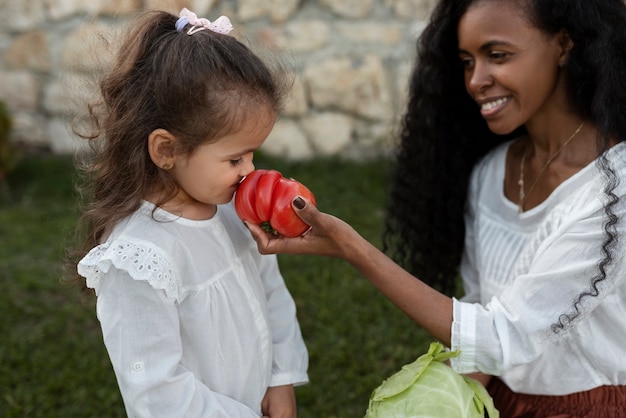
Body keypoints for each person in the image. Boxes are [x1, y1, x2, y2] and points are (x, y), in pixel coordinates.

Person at [245, 0, 626, 416]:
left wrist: (353, 248)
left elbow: (502, 337)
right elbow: (484, 308)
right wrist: (447, 400)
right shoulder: (491, 173)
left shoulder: (613, 195)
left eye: (497, 55)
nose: (476, 80)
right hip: (499, 399)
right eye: (466, 62)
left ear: (565, 45)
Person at [72, 8, 308, 418]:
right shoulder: (140, 260)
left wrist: (279, 377)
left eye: (253, 154)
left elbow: (272, 295)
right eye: (235, 159)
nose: (249, 171)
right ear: (166, 150)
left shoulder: (233, 212)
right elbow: (157, 391)